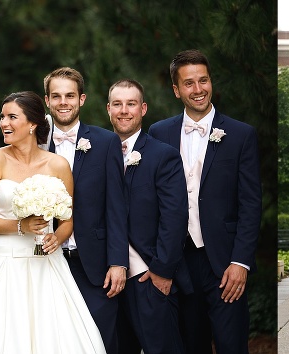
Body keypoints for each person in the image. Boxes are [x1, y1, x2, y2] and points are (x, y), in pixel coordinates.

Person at [0, 91, 105, 353]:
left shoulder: (58, 165)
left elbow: (68, 220)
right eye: (3, 116)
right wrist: (20, 226)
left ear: (33, 124)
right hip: (4, 262)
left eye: (12, 117)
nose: (4, 123)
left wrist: (57, 238)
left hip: (46, 263)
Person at [148, 49, 261, 354]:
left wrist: (240, 262)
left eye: (203, 80)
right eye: (189, 83)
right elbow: (151, 203)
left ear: (211, 81)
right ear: (176, 90)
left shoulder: (241, 134)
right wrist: (159, 261)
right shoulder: (158, 134)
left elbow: (251, 204)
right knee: (188, 344)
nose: (198, 90)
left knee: (231, 345)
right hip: (178, 261)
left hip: (225, 264)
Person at [44, 67, 128, 353]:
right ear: (47, 101)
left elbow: (116, 207)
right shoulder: (34, 143)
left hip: (95, 265)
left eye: (70, 95)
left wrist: (118, 262)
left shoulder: (106, 142)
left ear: (82, 99)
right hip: (47, 264)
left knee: (100, 341)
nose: (63, 102)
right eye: (56, 96)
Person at [106, 79, 189, 354]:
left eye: (131, 104)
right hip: (105, 279)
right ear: (108, 109)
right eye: (117, 104)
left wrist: (162, 270)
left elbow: (174, 217)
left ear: (143, 109)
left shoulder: (163, 156)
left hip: (148, 276)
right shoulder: (96, 154)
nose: (124, 110)